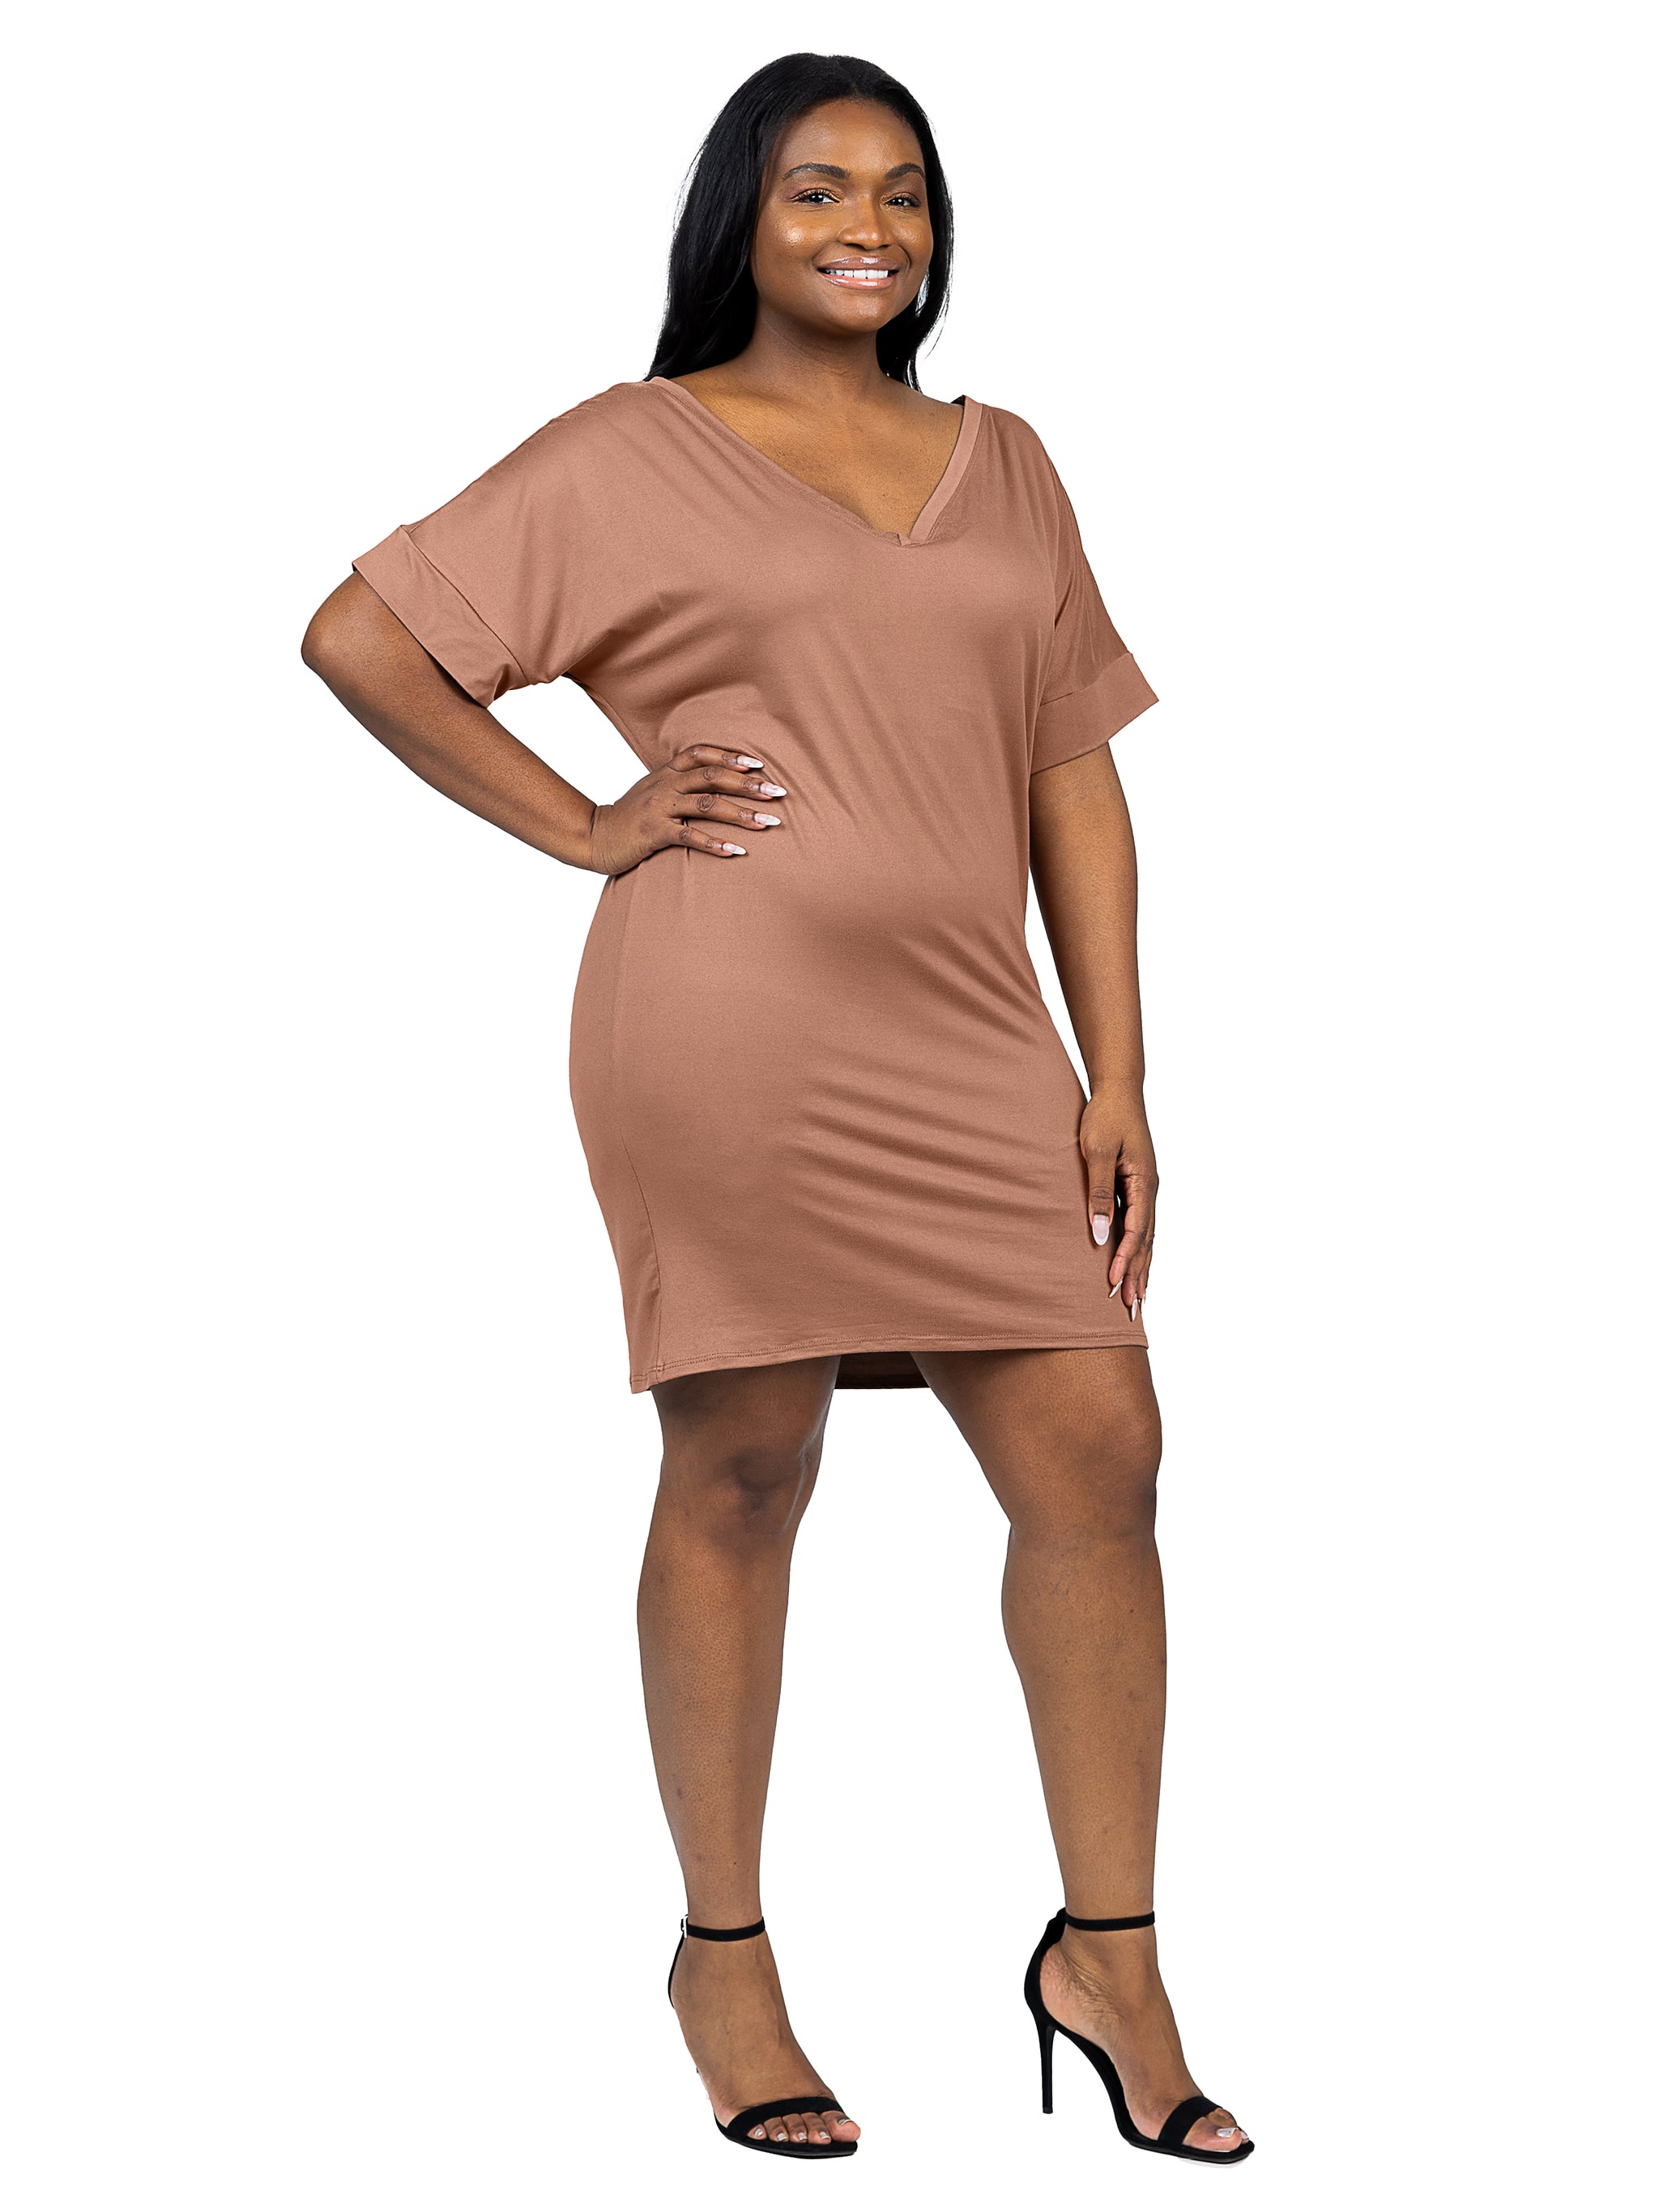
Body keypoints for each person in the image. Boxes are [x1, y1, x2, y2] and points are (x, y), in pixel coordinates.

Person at [301, 51, 1250, 2167]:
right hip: (723, 1026)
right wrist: (583, 820)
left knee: (1099, 1450)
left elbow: (1070, 767)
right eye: (819, 187)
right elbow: (362, 638)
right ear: (742, 211)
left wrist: (1120, 1069)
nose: (867, 226)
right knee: (743, 1463)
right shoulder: (630, 447)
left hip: (975, 1034)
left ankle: (1111, 1955)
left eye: (903, 192)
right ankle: (721, 1957)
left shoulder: (1006, 460)